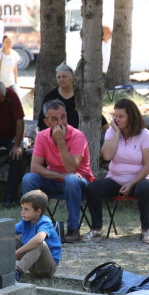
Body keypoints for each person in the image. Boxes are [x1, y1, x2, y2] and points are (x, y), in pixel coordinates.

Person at [22, 99, 95, 243]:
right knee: (28, 178)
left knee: (71, 179)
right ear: (47, 122)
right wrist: (61, 175)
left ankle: (73, 230)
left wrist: (61, 141)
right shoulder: (42, 136)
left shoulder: (77, 136)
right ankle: (33, 227)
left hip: (80, 184)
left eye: (63, 117)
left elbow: (71, 169)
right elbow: (35, 167)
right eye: (54, 119)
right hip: (55, 180)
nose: (60, 122)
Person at [83, 98, 149, 242]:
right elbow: (107, 156)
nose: (117, 119)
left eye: (121, 116)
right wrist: (116, 134)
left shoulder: (145, 134)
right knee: (93, 188)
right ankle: (96, 229)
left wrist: (132, 183)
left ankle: (146, 230)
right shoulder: (112, 131)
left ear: (131, 117)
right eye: (115, 116)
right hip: (115, 179)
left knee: (145, 188)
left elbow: (148, 166)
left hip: (140, 179)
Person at [37, 63, 108, 131]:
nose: (61, 79)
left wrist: (110, 132)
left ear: (72, 78)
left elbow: (97, 115)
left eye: (64, 77)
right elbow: (42, 121)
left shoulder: (82, 95)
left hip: (78, 136)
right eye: (59, 77)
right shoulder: (50, 96)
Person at [15, 189, 62, 282]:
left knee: (40, 244)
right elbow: (8, 230)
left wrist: (18, 252)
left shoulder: (45, 222)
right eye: (22, 208)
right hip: (31, 265)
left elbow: (39, 240)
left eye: (26, 209)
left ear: (38, 212)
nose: (22, 212)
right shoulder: (26, 221)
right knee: (8, 238)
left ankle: (17, 273)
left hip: (46, 267)